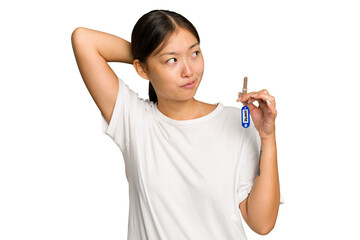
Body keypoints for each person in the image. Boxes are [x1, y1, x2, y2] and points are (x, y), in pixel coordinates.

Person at [71, 9, 283, 240]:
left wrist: (267, 138)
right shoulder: (134, 121)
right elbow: (84, 39)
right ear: (141, 69)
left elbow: (262, 224)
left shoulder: (236, 122)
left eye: (194, 53)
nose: (188, 71)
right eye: (172, 60)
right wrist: (147, 55)